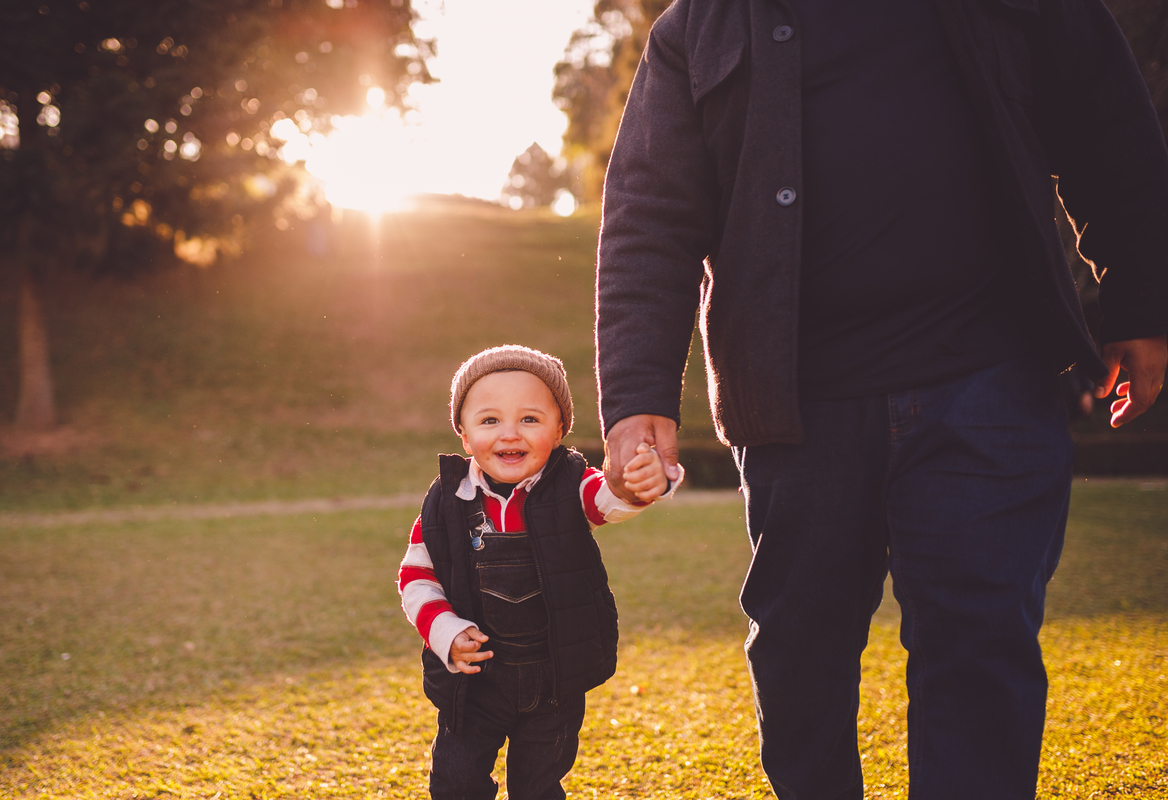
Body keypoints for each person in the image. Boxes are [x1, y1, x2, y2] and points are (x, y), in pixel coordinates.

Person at [594, 1, 1168, 798]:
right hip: (797, 405)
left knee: (981, 647)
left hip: (989, 379)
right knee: (798, 654)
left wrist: (1143, 301)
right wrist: (636, 393)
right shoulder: (701, 27)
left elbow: (1111, 129)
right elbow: (648, 212)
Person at [397, 345, 679, 800]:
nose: (510, 433)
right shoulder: (446, 502)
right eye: (489, 421)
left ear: (560, 429)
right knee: (455, 782)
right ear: (464, 437)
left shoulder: (571, 484)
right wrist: (446, 631)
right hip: (474, 682)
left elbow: (608, 499)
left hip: (554, 679)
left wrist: (635, 483)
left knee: (538, 787)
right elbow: (416, 578)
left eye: (530, 419)